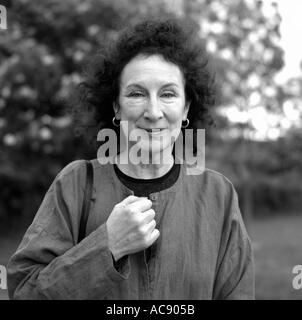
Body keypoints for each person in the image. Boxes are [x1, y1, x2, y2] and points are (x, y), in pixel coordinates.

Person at [7, 18, 255, 300]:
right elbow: (25, 292)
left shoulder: (218, 194)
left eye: (168, 94)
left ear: (186, 108)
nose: (153, 111)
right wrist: (107, 245)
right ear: (116, 106)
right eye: (137, 93)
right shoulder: (75, 184)